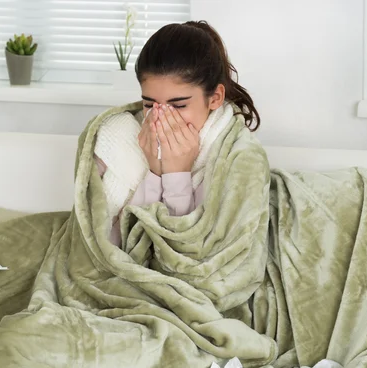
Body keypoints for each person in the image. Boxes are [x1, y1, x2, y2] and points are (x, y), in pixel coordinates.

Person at [95, 20, 260, 246]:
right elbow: (115, 247)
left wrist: (176, 173)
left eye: (179, 105)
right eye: (150, 104)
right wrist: (154, 170)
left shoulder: (235, 157)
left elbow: (192, 254)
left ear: (215, 98)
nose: (161, 117)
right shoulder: (120, 135)